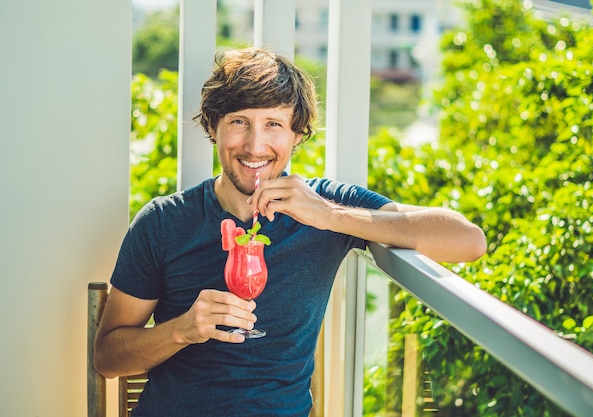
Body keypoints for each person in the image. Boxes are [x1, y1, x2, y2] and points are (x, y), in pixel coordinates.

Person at [94, 47, 487, 417]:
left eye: (274, 125)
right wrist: (181, 330)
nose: (255, 145)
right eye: (239, 122)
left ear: (297, 134)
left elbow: (467, 241)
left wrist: (329, 215)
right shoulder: (163, 222)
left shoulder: (326, 204)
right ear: (213, 127)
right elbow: (108, 358)